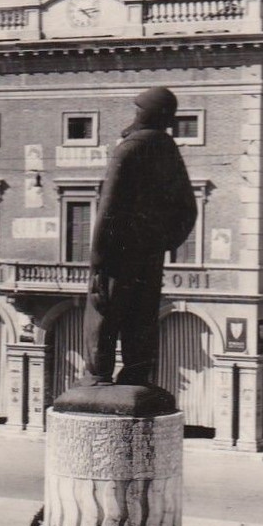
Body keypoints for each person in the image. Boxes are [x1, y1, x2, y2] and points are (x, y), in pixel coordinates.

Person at [84, 87, 198, 387]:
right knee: (142, 318)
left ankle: (98, 376)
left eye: (138, 110)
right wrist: (161, 242)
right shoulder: (168, 150)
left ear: (149, 114)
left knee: (102, 313)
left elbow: (107, 211)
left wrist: (97, 262)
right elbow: (188, 208)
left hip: (117, 255)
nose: (134, 115)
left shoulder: (129, 150)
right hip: (149, 258)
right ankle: (136, 375)